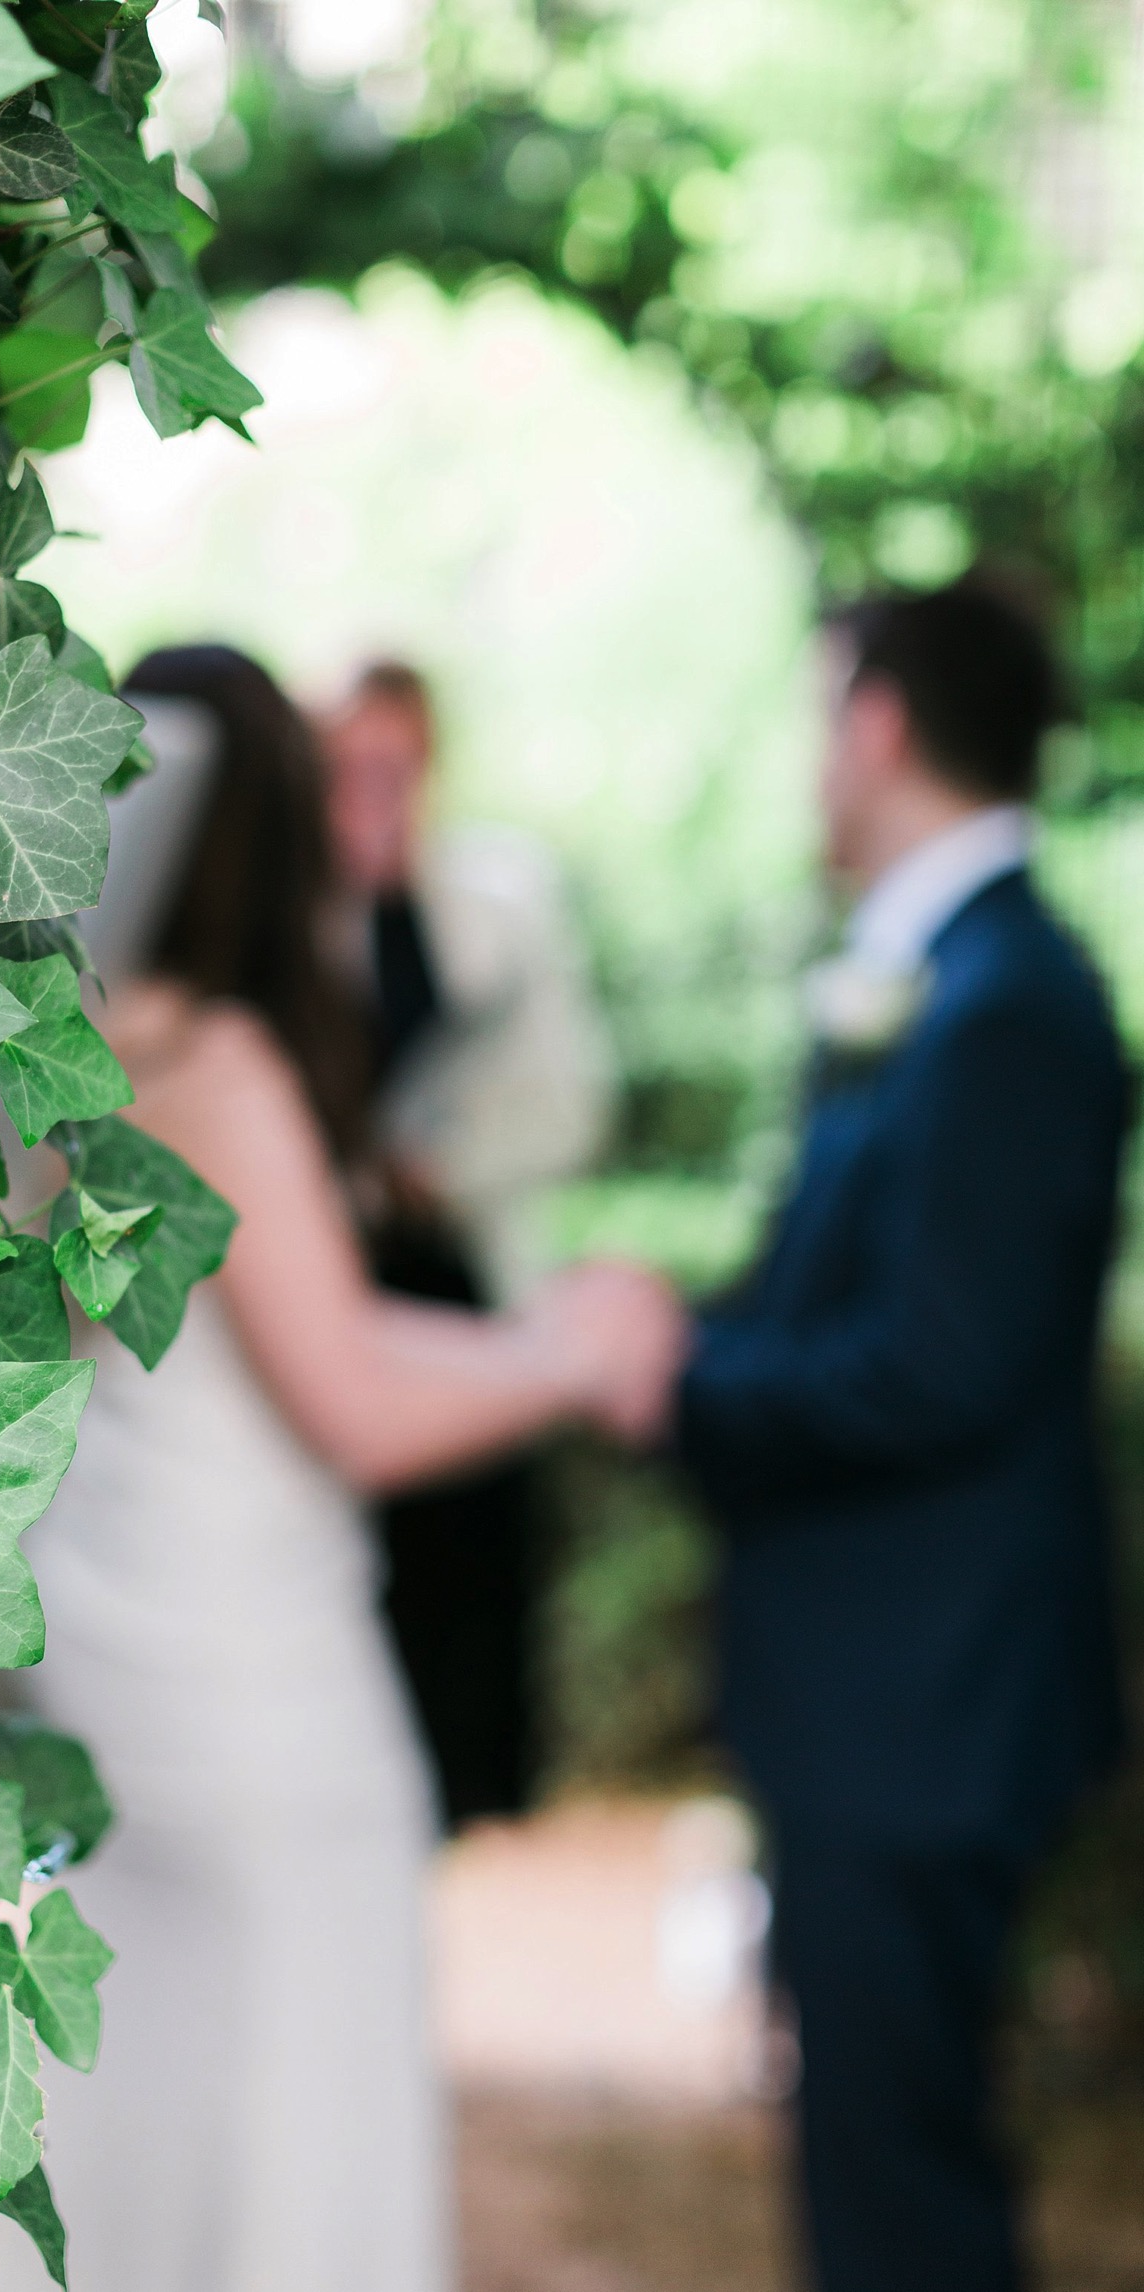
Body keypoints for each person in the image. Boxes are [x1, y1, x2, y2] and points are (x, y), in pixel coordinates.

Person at [0, 646, 673, 2292]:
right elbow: (350, 1396)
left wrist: (534, 1342)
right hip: (252, 1684)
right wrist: (577, 1353)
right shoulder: (220, 1066)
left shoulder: (49, 1059)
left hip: (100, 1647)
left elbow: (291, 1331)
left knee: (129, 2080)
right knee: (305, 2107)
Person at [623, 581, 1129, 2290]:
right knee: (867, 2159)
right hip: (881, 1693)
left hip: (932, 1698)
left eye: (813, 714)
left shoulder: (1005, 1006)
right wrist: (690, 1338)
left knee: (904, 2187)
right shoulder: (938, 976)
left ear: (877, 724)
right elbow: (845, 1298)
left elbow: (936, 1361)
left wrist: (669, 1388)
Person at [321, 663, 614, 1826]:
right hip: (340, 1297)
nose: (373, 790)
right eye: (350, 766)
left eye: (393, 764)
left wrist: (442, 1170)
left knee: (466, 1615)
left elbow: (568, 1100)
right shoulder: (285, 916)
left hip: (464, 1283)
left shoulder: (500, 900)